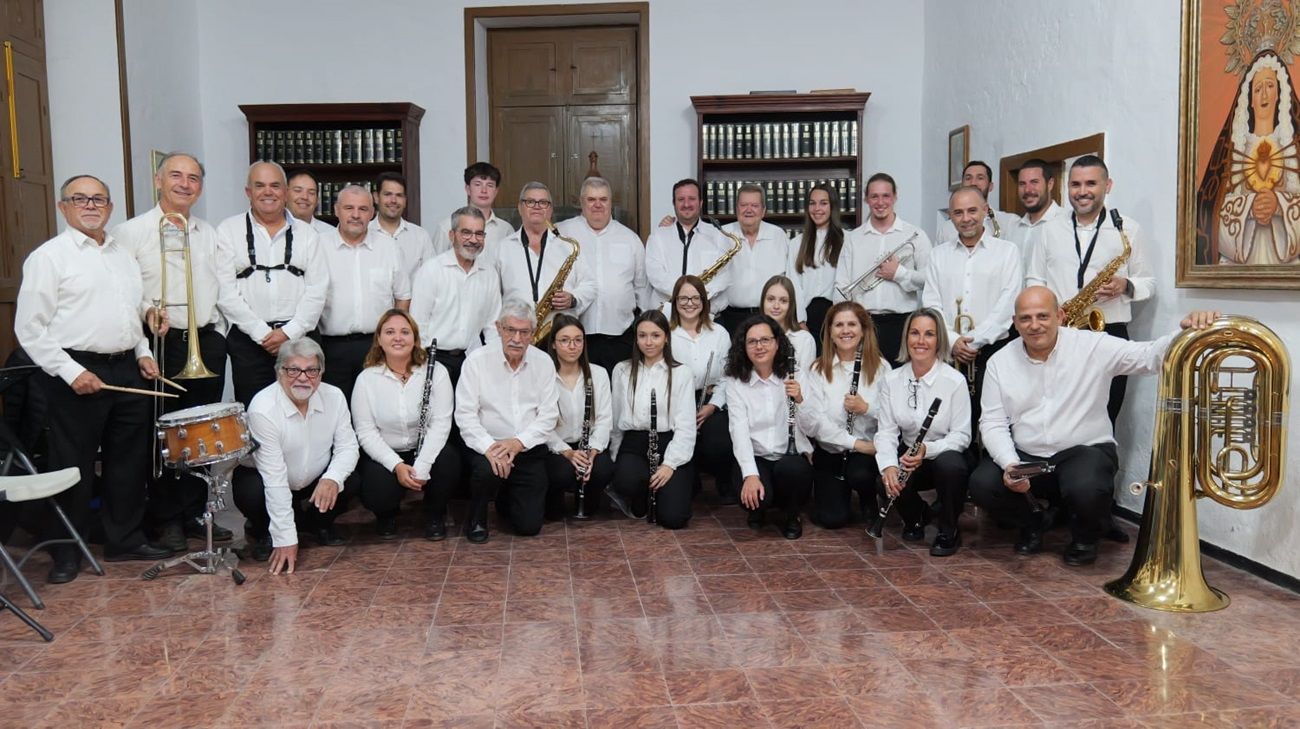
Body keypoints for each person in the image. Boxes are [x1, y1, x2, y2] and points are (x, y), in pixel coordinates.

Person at [971, 287, 1218, 566]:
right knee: (982, 484)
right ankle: (1033, 522)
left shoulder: (1093, 345)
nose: (1034, 325)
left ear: (1060, 316)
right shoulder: (999, 362)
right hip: (1028, 456)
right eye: (1025, 318)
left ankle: (1084, 538)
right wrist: (1009, 464)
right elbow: (992, 422)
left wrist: (1185, 332)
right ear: (1015, 323)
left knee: (1087, 486)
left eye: (1043, 316)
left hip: (1082, 452)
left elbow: (1149, 356)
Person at [16, 175, 170, 582]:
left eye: (98, 199)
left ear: (110, 206)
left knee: (129, 460)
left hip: (127, 367)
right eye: (79, 199)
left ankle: (125, 539)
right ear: (63, 206)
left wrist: (144, 353)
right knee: (74, 465)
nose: (90, 205)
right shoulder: (49, 258)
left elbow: (132, 312)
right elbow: (29, 329)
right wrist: (72, 372)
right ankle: (67, 551)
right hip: (75, 368)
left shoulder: (122, 254)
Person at [111, 152, 240, 551]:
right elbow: (122, 295)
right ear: (157, 180)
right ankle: (166, 518)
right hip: (161, 343)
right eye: (176, 176)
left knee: (201, 433)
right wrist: (145, 329)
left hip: (205, 341)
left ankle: (196, 514)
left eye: (194, 178)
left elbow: (223, 286)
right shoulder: (130, 233)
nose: (185, 184)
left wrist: (217, 331)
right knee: (166, 436)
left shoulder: (209, 232)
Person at [1027, 155, 1155, 424]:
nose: (1082, 192)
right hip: (1061, 330)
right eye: (1075, 184)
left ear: (1107, 185)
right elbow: (1035, 280)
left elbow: (1149, 283)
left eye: (1090, 183)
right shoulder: (1050, 229)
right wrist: (1048, 312)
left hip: (1110, 331)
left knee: (1106, 416)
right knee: (1057, 413)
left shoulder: (1128, 229)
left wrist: (1126, 285)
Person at [232, 338, 358, 574]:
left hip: (313, 481)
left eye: (311, 370)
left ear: (321, 373)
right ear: (279, 372)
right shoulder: (262, 408)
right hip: (271, 481)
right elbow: (274, 478)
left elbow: (348, 446)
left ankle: (318, 525)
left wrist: (332, 478)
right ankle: (264, 532)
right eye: (293, 370)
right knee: (250, 491)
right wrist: (285, 539)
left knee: (349, 480)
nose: (303, 378)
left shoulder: (335, 397)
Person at [217, 161, 328, 407]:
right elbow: (225, 292)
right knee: (255, 409)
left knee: (306, 409)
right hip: (249, 343)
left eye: (275, 186)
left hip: (301, 339)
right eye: (260, 186)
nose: (268, 192)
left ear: (286, 192)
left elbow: (318, 290)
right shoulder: (228, 230)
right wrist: (262, 333)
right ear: (248, 192)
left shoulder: (308, 234)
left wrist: (289, 332)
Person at [921, 185, 1021, 447]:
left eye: (972, 210)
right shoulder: (938, 255)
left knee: (994, 420)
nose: (966, 218)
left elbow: (1008, 304)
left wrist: (974, 341)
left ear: (985, 211)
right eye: (958, 212)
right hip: (949, 351)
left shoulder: (1007, 251)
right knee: (950, 420)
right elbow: (931, 304)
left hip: (993, 350)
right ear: (951, 217)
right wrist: (953, 341)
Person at [453, 300, 559, 543]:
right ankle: (477, 518)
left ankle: (506, 496)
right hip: (488, 447)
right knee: (484, 472)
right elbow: (465, 415)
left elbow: (548, 415)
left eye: (524, 332)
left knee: (529, 527)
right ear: (498, 328)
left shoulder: (543, 362)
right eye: (511, 330)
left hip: (527, 447)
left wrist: (517, 443)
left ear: (533, 333)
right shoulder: (476, 361)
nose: (517, 338)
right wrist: (491, 448)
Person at [873, 308, 972, 556]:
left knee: (950, 466)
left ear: (939, 340)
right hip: (910, 454)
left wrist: (929, 449)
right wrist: (889, 467)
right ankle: (917, 516)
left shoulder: (954, 381)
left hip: (945, 453)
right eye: (914, 333)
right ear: (906, 338)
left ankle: (948, 529)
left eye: (929, 334)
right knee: (883, 480)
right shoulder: (892, 380)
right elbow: (885, 433)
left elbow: (962, 436)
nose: (920, 341)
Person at [351, 310, 457, 540]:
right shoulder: (366, 379)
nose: (397, 337)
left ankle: (435, 514)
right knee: (376, 491)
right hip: (387, 452)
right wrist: (397, 465)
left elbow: (441, 424)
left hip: (425, 449)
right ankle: (386, 513)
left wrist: (423, 465)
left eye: (405, 332)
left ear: (416, 339)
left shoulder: (436, 372)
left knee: (448, 461)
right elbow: (366, 432)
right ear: (379, 339)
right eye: (390, 332)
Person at [1198, 50, 1300, 265]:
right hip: (1239, 262)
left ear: (1280, 93)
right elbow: (1208, 211)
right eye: (1258, 88)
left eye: (1270, 86)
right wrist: (1249, 208)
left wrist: (1280, 204)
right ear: (1249, 99)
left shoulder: (1294, 147)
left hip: (1288, 265)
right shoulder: (1234, 150)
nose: (1264, 95)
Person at [724, 314, 818, 539]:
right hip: (757, 456)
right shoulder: (736, 382)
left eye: (765, 340)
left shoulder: (796, 375)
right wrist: (750, 474)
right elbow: (739, 432)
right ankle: (761, 507)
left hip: (789, 456)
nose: (759, 346)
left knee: (792, 471)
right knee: (755, 496)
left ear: (777, 343)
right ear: (743, 347)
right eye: (752, 342)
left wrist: (800, 400)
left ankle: (791, 514)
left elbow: (813, 427)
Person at [606, 310, 696, 529]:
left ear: (666, 337)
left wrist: (669, 465)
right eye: (642, 335)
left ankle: (664, 490)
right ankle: (641, 494)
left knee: (674, 518)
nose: (648, 342)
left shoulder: (682, 373)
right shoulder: (622, 370)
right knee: (626, 480)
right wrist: (614, 458)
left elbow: (686, 427)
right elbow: (616, 417)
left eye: (655, 335)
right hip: (634, 442)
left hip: (669, 443)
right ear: (636, 338)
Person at [803, 302, 890, 529]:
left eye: (852, 324)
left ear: (863, 330)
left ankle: (868, 498)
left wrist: (866, 408)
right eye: (839, 325)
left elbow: (893, 417)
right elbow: (816, 424)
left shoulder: (881, 368)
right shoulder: (817, 370)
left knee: (860, 474)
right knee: (832, 519)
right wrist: (858, 444)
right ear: (830, 333)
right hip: (833, 451)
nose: (845, 330)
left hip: (866, 456)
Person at [556, 176, 651, 374]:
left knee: (617, 396)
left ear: (611, 202)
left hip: (620, 336)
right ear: (581, 202)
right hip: (573, 337)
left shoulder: (630, 239)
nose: (597, 205)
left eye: (603, 199)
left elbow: (641, 287)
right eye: (591, 199)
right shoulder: (562, 233)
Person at [835, 172, 933, 364]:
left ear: (895, 197)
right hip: (863, 323)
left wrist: (899, 274)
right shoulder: (853, 239)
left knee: (900, 383)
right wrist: (842, 325)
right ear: (866, 199)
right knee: (863, 383)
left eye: (886, 196)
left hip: (902, 323)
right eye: (874, 196)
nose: (880, 202)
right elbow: (841, 285)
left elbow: (930, 279)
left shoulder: (915, 235)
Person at [408, 206, 502, 384]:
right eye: (466, 233)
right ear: (452, 235)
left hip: (473, 362)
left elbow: (492, 326)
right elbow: (418, 324)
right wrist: (422, 365)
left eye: (479, 234)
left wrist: (494, 363)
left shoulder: (489, 273)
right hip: (434, 361)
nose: (473, 240)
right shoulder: (431, 270)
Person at [668, 275, 734, 504]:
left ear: (704, 301)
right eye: (683, 298)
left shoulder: (719, 333)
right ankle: (690, 481)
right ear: (675, 301)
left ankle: (725, 480)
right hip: (677, 401)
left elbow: (729, 377)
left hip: (710, 399)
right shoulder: (666, 334)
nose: (689, 303)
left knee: (719, 440)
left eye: (695, 298)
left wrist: (712, 406)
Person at [498, 182, 596, 333]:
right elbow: (493, 298)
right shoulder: (503, 248)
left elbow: (590, 285)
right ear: (520, 207)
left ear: (550, 210)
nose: (537, 206)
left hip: (559, 335)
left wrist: (573, 299)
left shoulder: (568, 246)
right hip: (517, 334)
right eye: (530, 202)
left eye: (543, 202)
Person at [544, 314, 614, 519]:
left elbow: (604, 419)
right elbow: (541, 425)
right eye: (564, 340)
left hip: (588, 446)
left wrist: (592, 452)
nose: (572, 346)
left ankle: (588, 497)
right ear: (554, 345)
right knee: (559, 476)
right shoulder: (544, 376)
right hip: (556, 449)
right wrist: (567, 453)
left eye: (578, 340)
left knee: (603, 469)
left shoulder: (598, 374)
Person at [718, 184, 797, 334]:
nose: (749, 210)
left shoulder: (778, 235)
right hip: (731, 317)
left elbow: (790, 278)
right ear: (736, 209)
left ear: (763, 211)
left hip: (770, 316)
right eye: (744, 205)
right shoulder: (722, 234)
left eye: (755, 205)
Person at [644, 178, 733, 310]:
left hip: (707, 313)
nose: (686, 204)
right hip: (668, 314)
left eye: (692, 198)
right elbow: (656, 275)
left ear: (701, 202)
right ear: (674, 204)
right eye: (681, 199)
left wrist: (700, 297)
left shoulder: (718, 236)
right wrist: (684, 295)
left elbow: (725, 275)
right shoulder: (658, 237)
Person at [788, 183, 847, 354]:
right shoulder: (796, 244)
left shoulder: (848, 240)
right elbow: (793, 285)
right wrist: (800, 322)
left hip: (837, 315)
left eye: (823, 203)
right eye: (812, 203)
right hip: (807, 318)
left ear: (833, 206)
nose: (817, 208)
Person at [431, 162, 514, 266]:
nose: (484, 190)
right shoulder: (447, 226)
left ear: (496, 191)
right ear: (468, 189)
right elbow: (435, 265)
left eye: (490, 185)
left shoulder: (506, 230)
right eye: (478, 184)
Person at [369, 171, 434, 281]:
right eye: (387, 194)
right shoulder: (365, 233)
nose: (393, 200)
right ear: (376, 197)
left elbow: (432, 278)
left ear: (405, 200)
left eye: (399, 195)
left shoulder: (421, 236)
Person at [936, 160, 1021, 242]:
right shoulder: (946, 229)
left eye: (980, 178)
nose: (973, 183)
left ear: (990, 186)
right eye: (968, 178)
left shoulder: (1010, 222)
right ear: (962, 185)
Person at [1006, 159, 1064, 271]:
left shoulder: (1066, 223)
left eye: (1034, 182)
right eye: (1022, 184)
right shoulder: (1013, 229)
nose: (1027, 190)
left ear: (1050, 184)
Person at [760, 275, 815, 372]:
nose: (776, 306)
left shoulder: (804, 340)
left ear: (791, 305)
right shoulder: (751, 337)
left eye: (783, 301)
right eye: (771, 299)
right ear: (762, 302)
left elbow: (806, 383)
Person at [287, 169, 336, 235]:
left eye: (311, 193)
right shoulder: (271, 231)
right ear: (284, 195)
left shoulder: (331, 233)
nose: (305, 197)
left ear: (317, 200)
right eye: (298, 190)